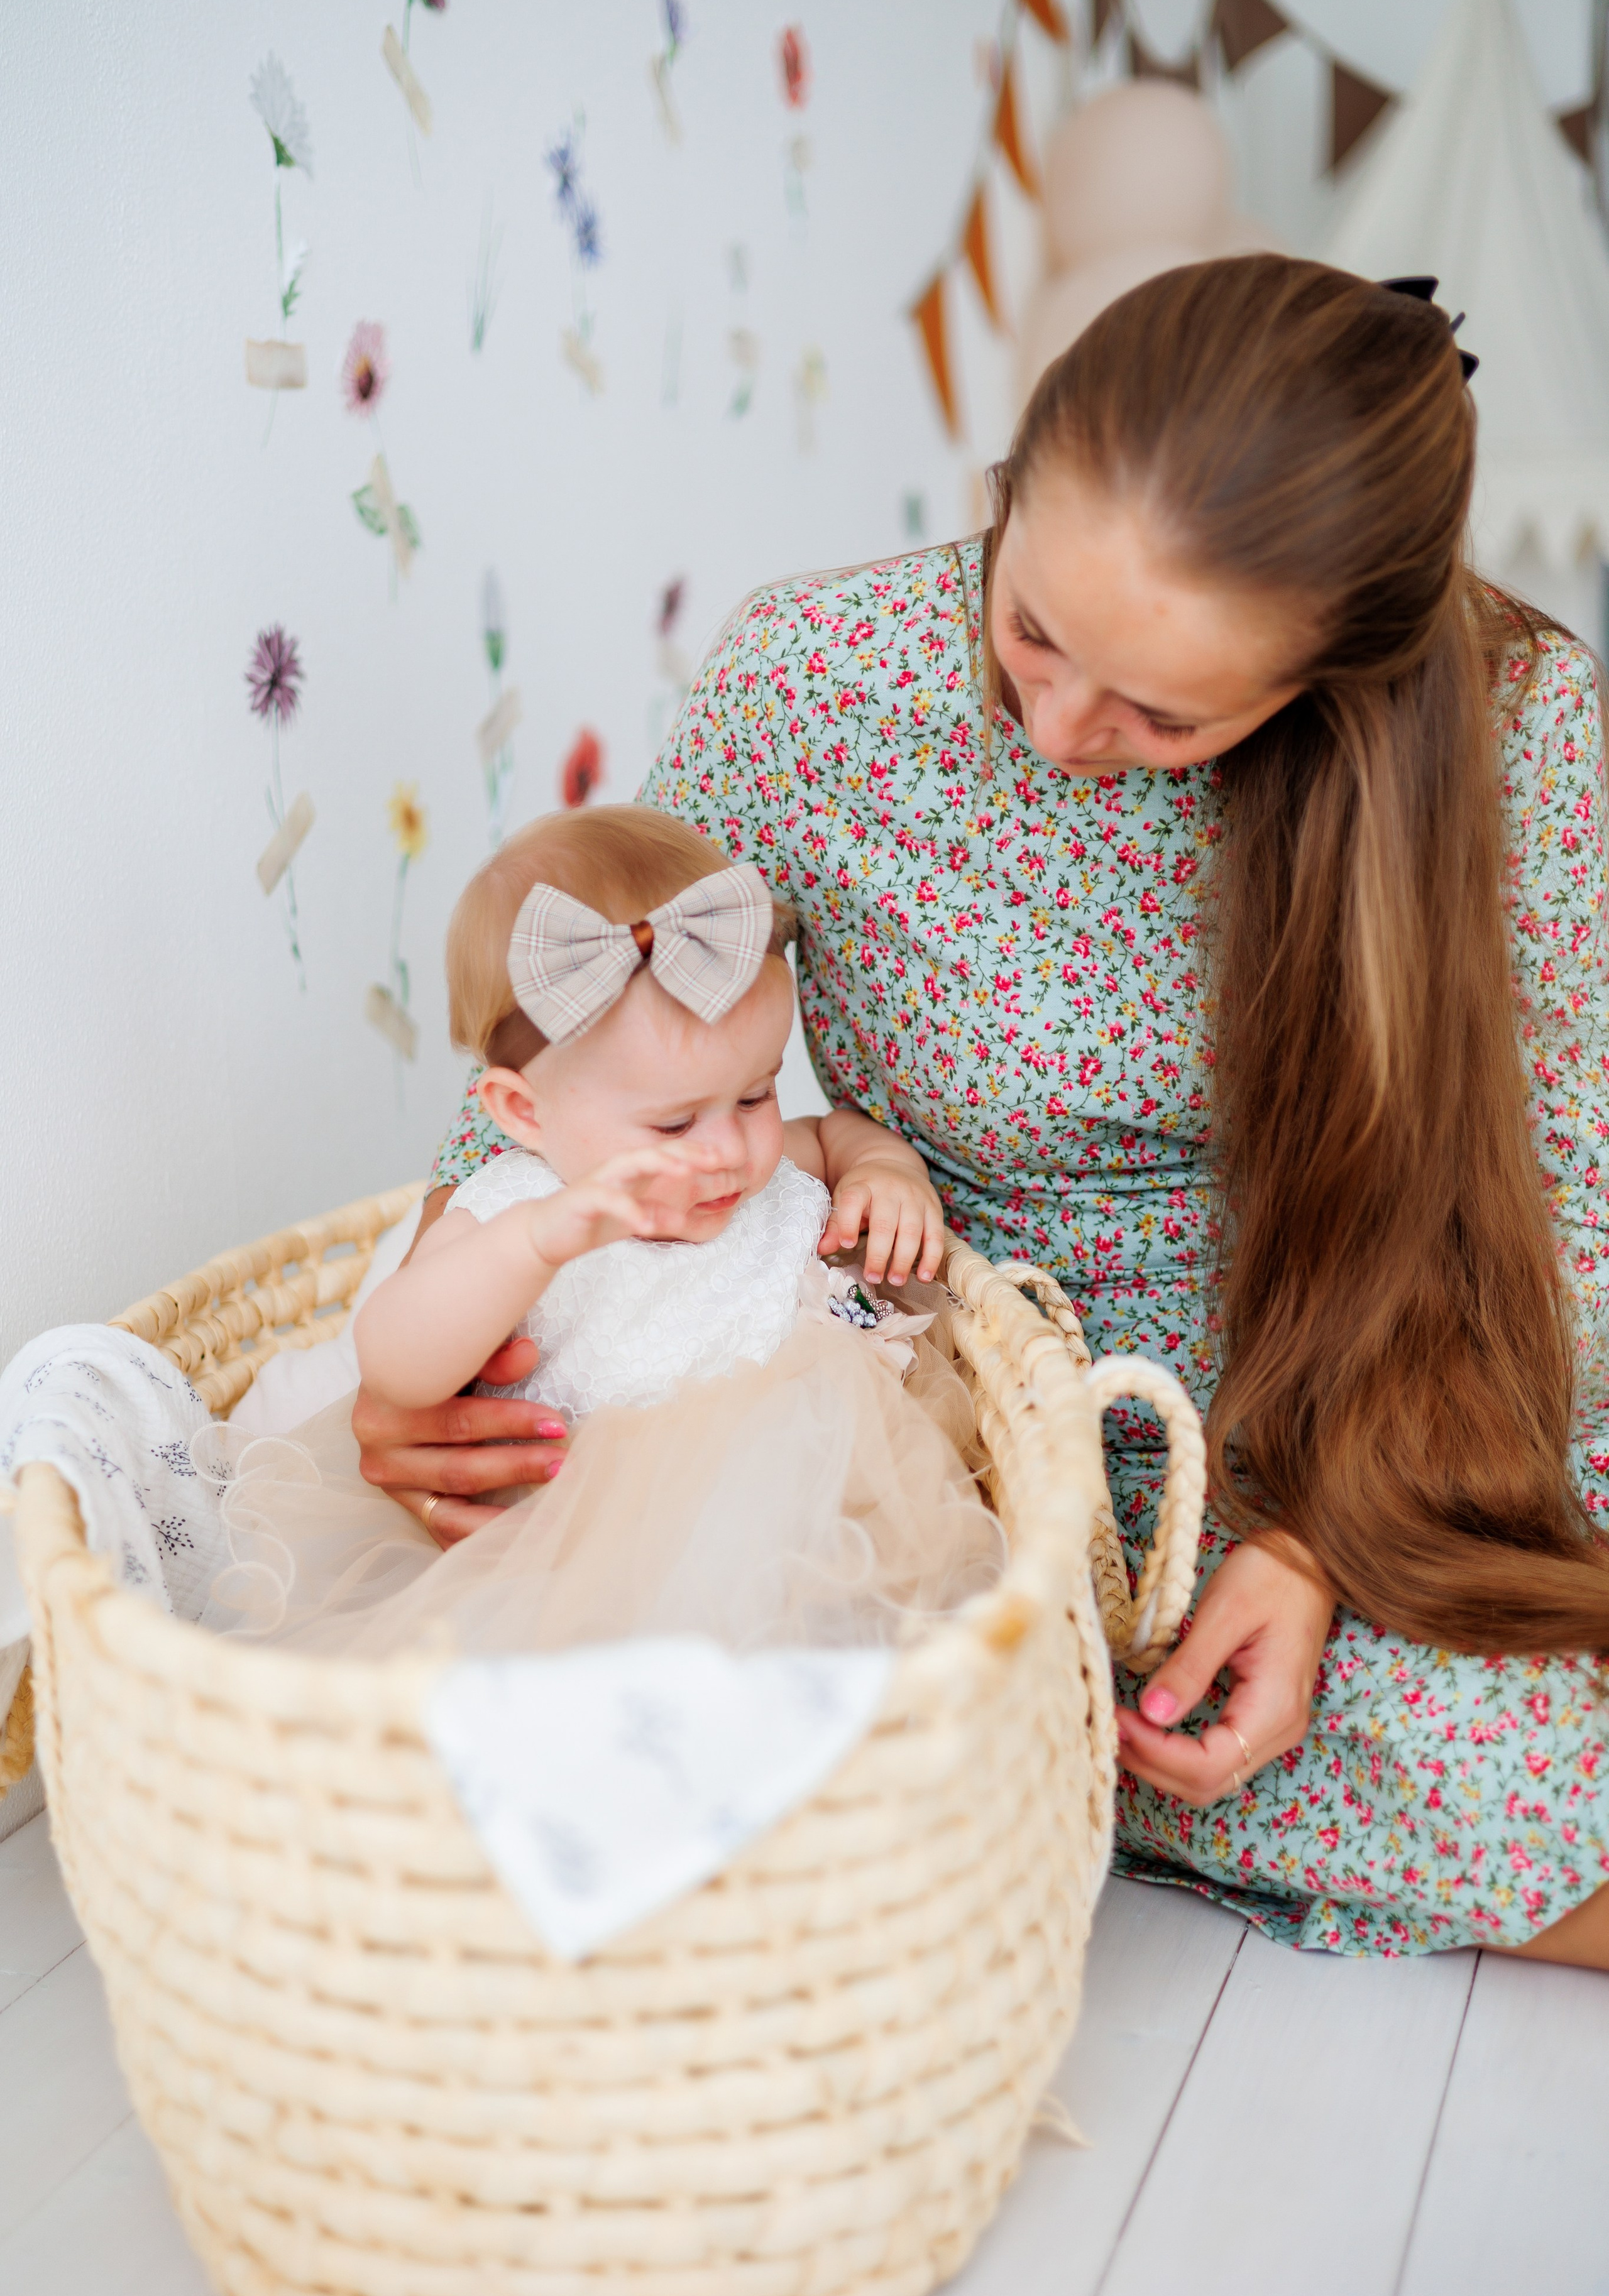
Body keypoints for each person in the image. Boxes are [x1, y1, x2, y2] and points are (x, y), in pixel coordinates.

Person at [359, 255, 1609, 1966]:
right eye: (1032, 626)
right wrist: (442, 1328)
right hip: (1027, 1398)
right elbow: (589, 1005)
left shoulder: (1522, 732)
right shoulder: (816, 682)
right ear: (1007, 489)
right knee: (1500, 1761)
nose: (1055, 723)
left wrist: (1326, 1545)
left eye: (1164, 714)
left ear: (1341, 676)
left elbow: (1566, 1216)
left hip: (1421, 1369)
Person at [204, 805, 1001, 1657]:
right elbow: (396, 1359)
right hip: (576, 1564)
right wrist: (535, 1242)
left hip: (811, 1521)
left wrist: (885, 1171)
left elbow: (839, 1132)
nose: (732, 1149)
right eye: (672, 1127)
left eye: (757, 1092)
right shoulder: (515, 1212)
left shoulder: (767, 1172)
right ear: (525, 1112)